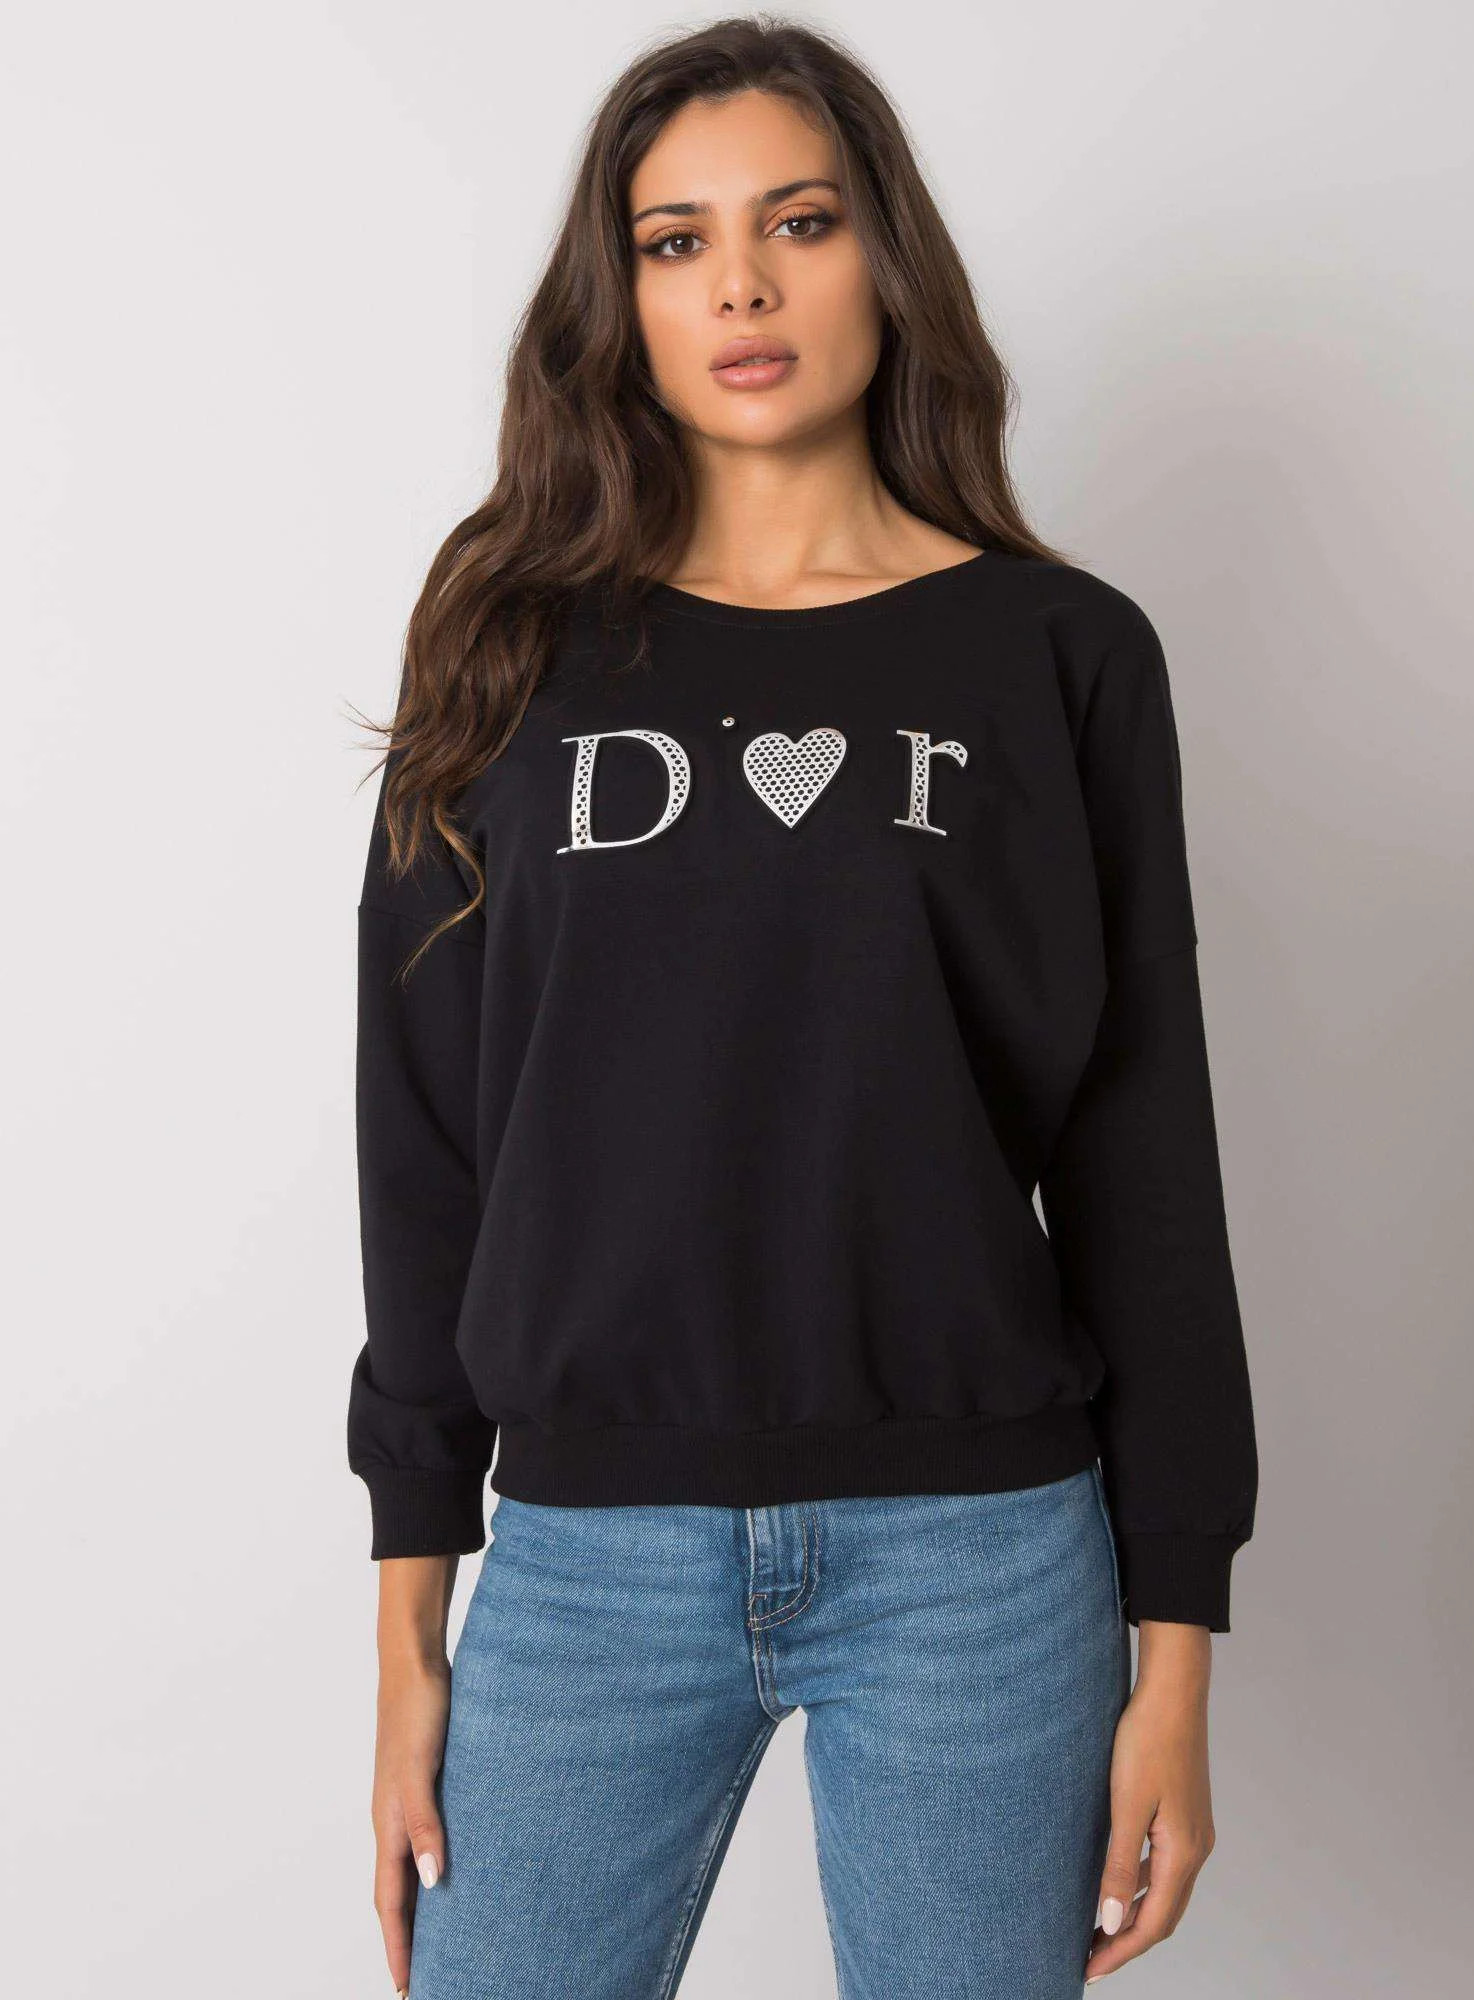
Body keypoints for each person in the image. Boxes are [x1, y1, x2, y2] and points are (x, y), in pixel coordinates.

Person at [345, 18, 1259, 1999]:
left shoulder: (1063, 655)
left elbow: (1143, 1150)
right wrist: (410, 1624)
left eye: (800, 223)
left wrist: (1177, 1649)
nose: (741, 285)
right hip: (588, 1554)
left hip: (980, 1559)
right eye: (675, 242)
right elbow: (422, 1134)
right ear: (623, 301)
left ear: (884, 259)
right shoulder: (508, 646)